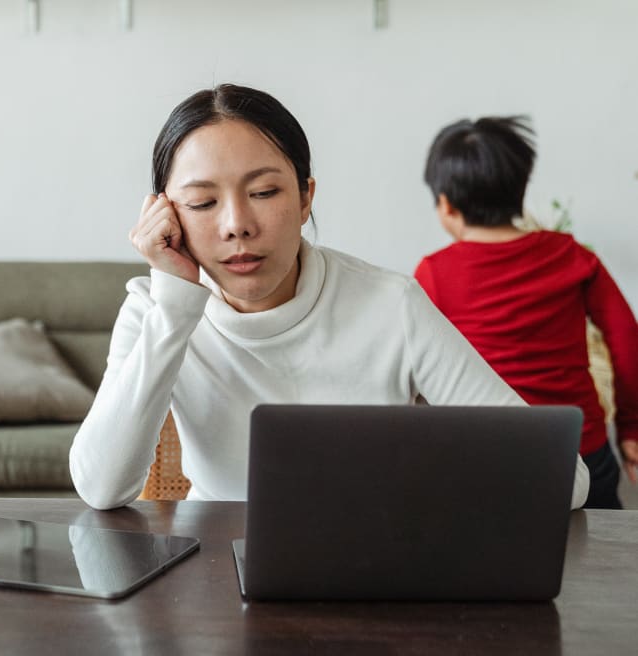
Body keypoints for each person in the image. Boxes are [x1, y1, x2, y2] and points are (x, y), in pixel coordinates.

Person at [68, 84, 589, 511]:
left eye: (265, 192)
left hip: (372, 565)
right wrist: (175, 306)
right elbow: (100, 487)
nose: (237, 226)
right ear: (166, 215)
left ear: (305, 198)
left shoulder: (392, 304)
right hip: (213, 574)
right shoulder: (154, 310)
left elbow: (564, 480)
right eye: (202, 202)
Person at [414, 116, 638, 509]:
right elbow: (626, 339)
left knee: (499, 566)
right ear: (520, 190)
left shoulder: (433, 273)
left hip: (491, 458)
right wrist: (631, 428)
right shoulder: (573, 256)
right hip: (582, 449)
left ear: (446, 205)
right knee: (601, 562)